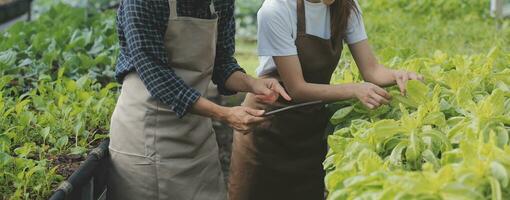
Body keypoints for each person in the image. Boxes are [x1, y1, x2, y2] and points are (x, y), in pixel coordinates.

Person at [228, 0, 423, 199]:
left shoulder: (346, 7)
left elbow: (372, 71)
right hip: (269, 125)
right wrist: (354, 89)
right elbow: (297, 88)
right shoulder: (276, 10)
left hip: (311, 125)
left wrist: (399, 76)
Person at [106, 0, 290, 199]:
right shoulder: (142, 2)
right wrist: (225, 114)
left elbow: (222, 63)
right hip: (146, 134)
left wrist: (253, 84)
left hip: (196, 134)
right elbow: (158, 77)